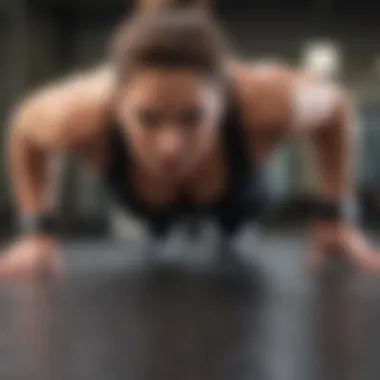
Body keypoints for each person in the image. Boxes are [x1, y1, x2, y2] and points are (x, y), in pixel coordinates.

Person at [1, 8, 379, 278]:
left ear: (224, 100)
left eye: (192, 118)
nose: (170, 146)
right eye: (148, 119)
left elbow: (337, 108)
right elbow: (24, 129)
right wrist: (36, 231)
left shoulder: (265, 98)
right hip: (141, 206)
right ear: (118, 105)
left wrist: (337, 218)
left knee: (235, 235)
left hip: (238, 201)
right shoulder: (82, 111)